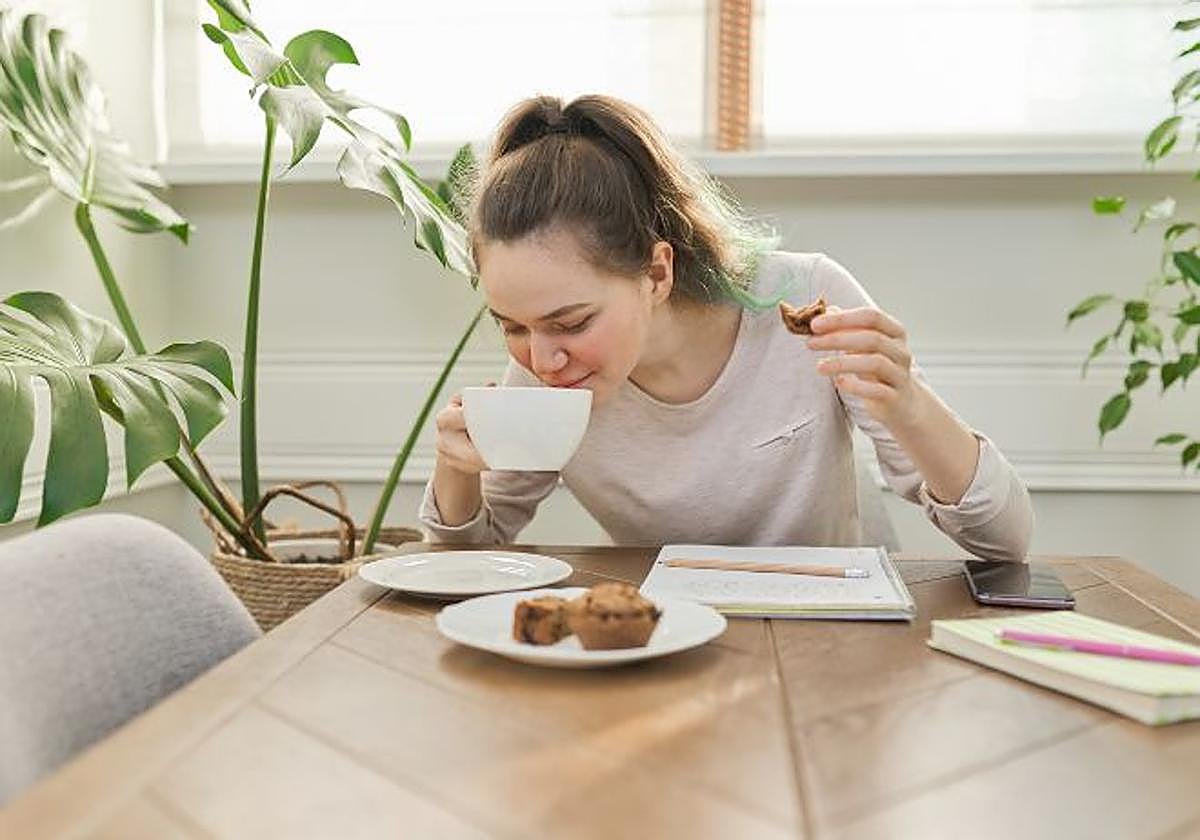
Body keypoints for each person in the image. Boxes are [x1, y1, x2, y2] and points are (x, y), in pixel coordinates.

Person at [419, 94, 1032, 560]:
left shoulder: (805, 302)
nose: (541, 358)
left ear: (657, 271)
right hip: (664, 648)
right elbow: (465, 562)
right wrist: (457, 468)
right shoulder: (547, 367)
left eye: (571, 322)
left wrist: (910, 405)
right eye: (512, 327)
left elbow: (1003, 543)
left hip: (836, 639)